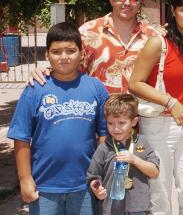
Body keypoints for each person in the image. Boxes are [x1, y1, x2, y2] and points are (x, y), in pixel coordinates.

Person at [7, 22, 108, 215]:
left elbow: (104, 135)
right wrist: (25, 179)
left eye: (71, 50)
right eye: (56, 52)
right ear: (47, 55)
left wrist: (101, 174)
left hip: (86, 185)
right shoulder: (35, 90)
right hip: (44, 186)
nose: (64, 57)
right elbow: (21, 137)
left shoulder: (96, 88)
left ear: (82, 53)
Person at [129, 0, 183, 214]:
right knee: (160, 196)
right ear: (173, 10)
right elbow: (135, 83)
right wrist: (171, 102)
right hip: (158, 125)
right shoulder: (158, 43)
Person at [29, 0, 159, 93]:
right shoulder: (87, 32)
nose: (126, 3)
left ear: (140, 1)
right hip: (97, 114)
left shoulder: (153, 37)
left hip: (141, 115)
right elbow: (69, 67)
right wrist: (46, 72)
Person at [87, 93, 160, 215]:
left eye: (121, 123)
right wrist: (97, 189)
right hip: (110, 208)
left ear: (134, 121)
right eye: (110, 123)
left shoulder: (142, 142)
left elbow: (155, 172)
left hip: (138, 208)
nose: (115, 129)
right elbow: (93, 177)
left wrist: (135, 160)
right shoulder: (104, 147)